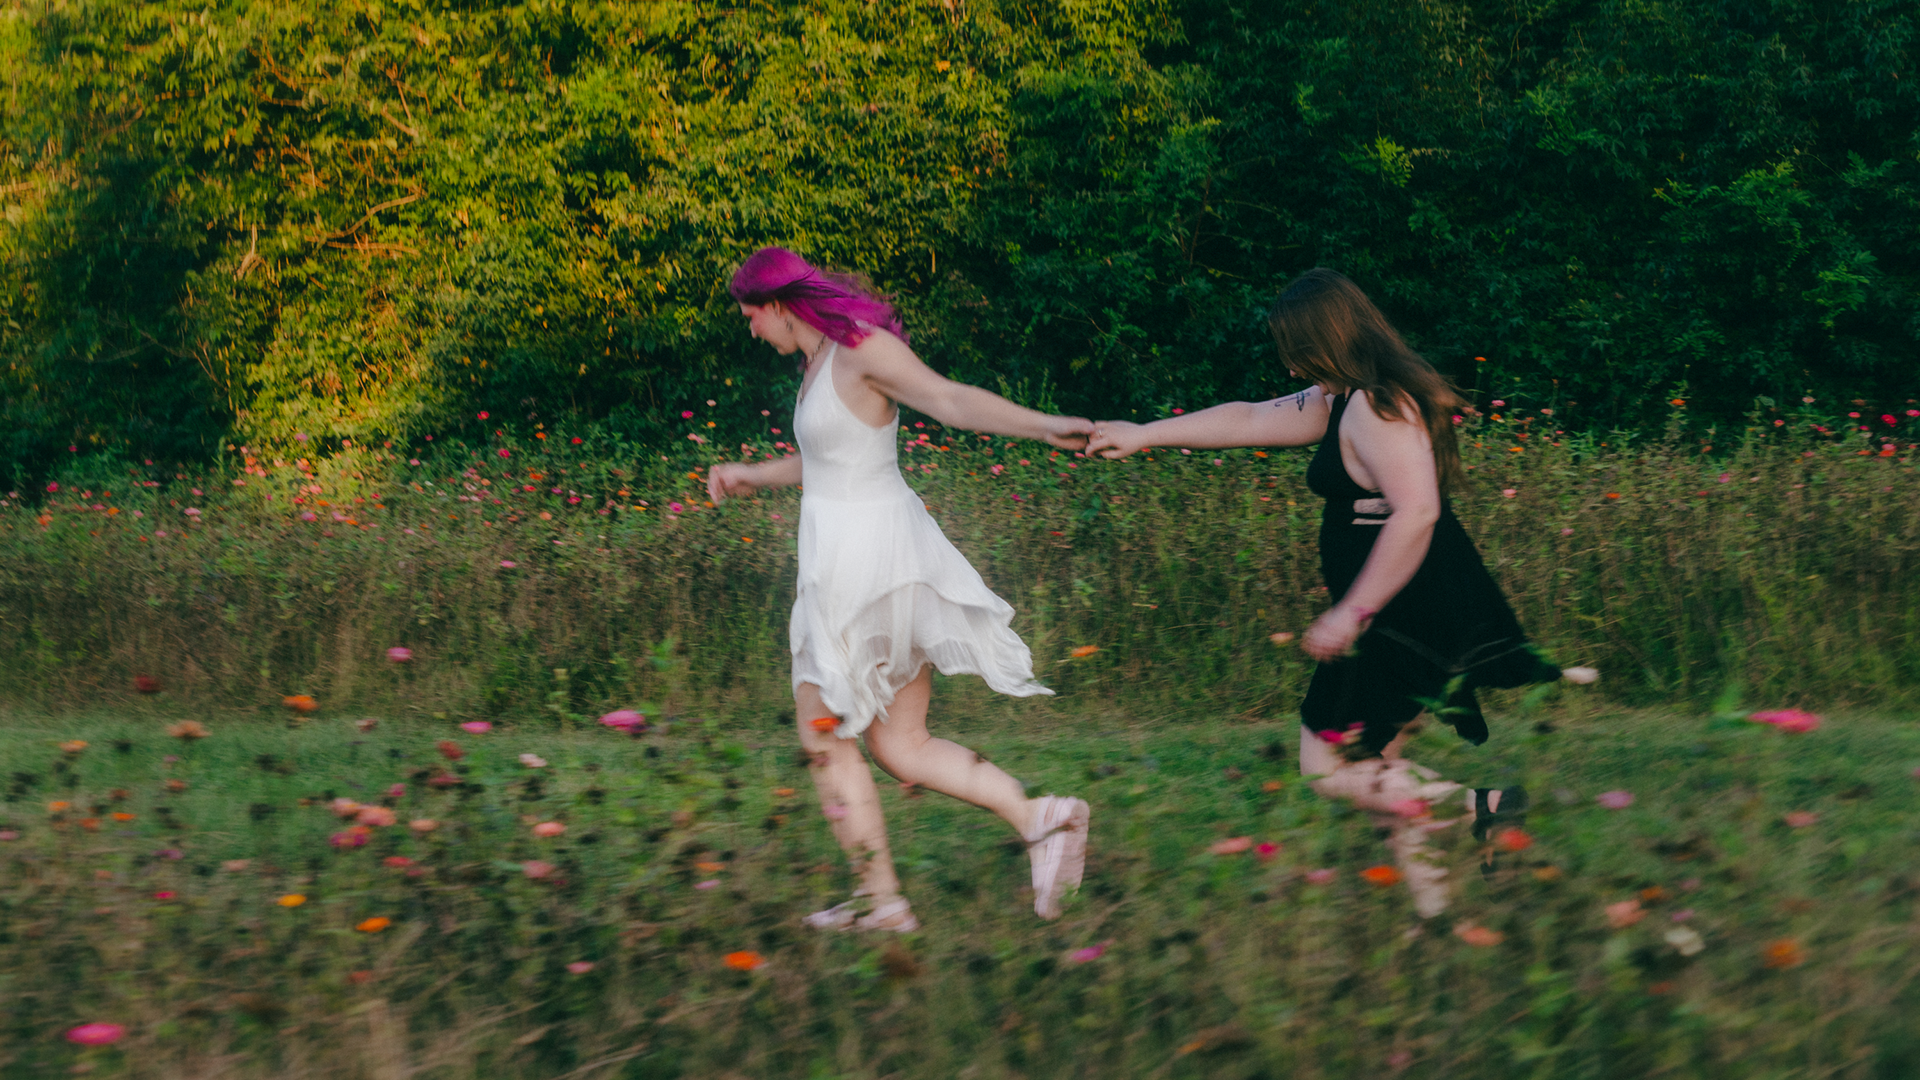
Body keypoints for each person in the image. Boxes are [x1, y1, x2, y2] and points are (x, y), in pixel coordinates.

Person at [1086, 268, 1582, 917]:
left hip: (1405, 608)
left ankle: (1487, 808)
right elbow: (1248, 417)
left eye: (1297, 352)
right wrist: (1144, 433)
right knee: (1380, 769)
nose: (1292, 369)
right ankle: (1435, 918)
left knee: (1328, 767)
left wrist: (1353, 613)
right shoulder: (1342, 399)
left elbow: (1418, 512)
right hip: (1399, 604)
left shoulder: (1377, 407)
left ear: (1325, 341)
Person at [706, 247, 1093, 931]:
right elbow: (828, 459)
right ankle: (1042, 817)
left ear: (779, 305)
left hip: (864, 564)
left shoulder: (860, 348)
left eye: (751, 316)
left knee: (822, 734)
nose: (751, 329)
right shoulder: (820, 363)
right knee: (900, 746)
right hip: (866, 559)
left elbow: (948, 399)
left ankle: (880, 900)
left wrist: (1043, 426)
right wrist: (752, 476)